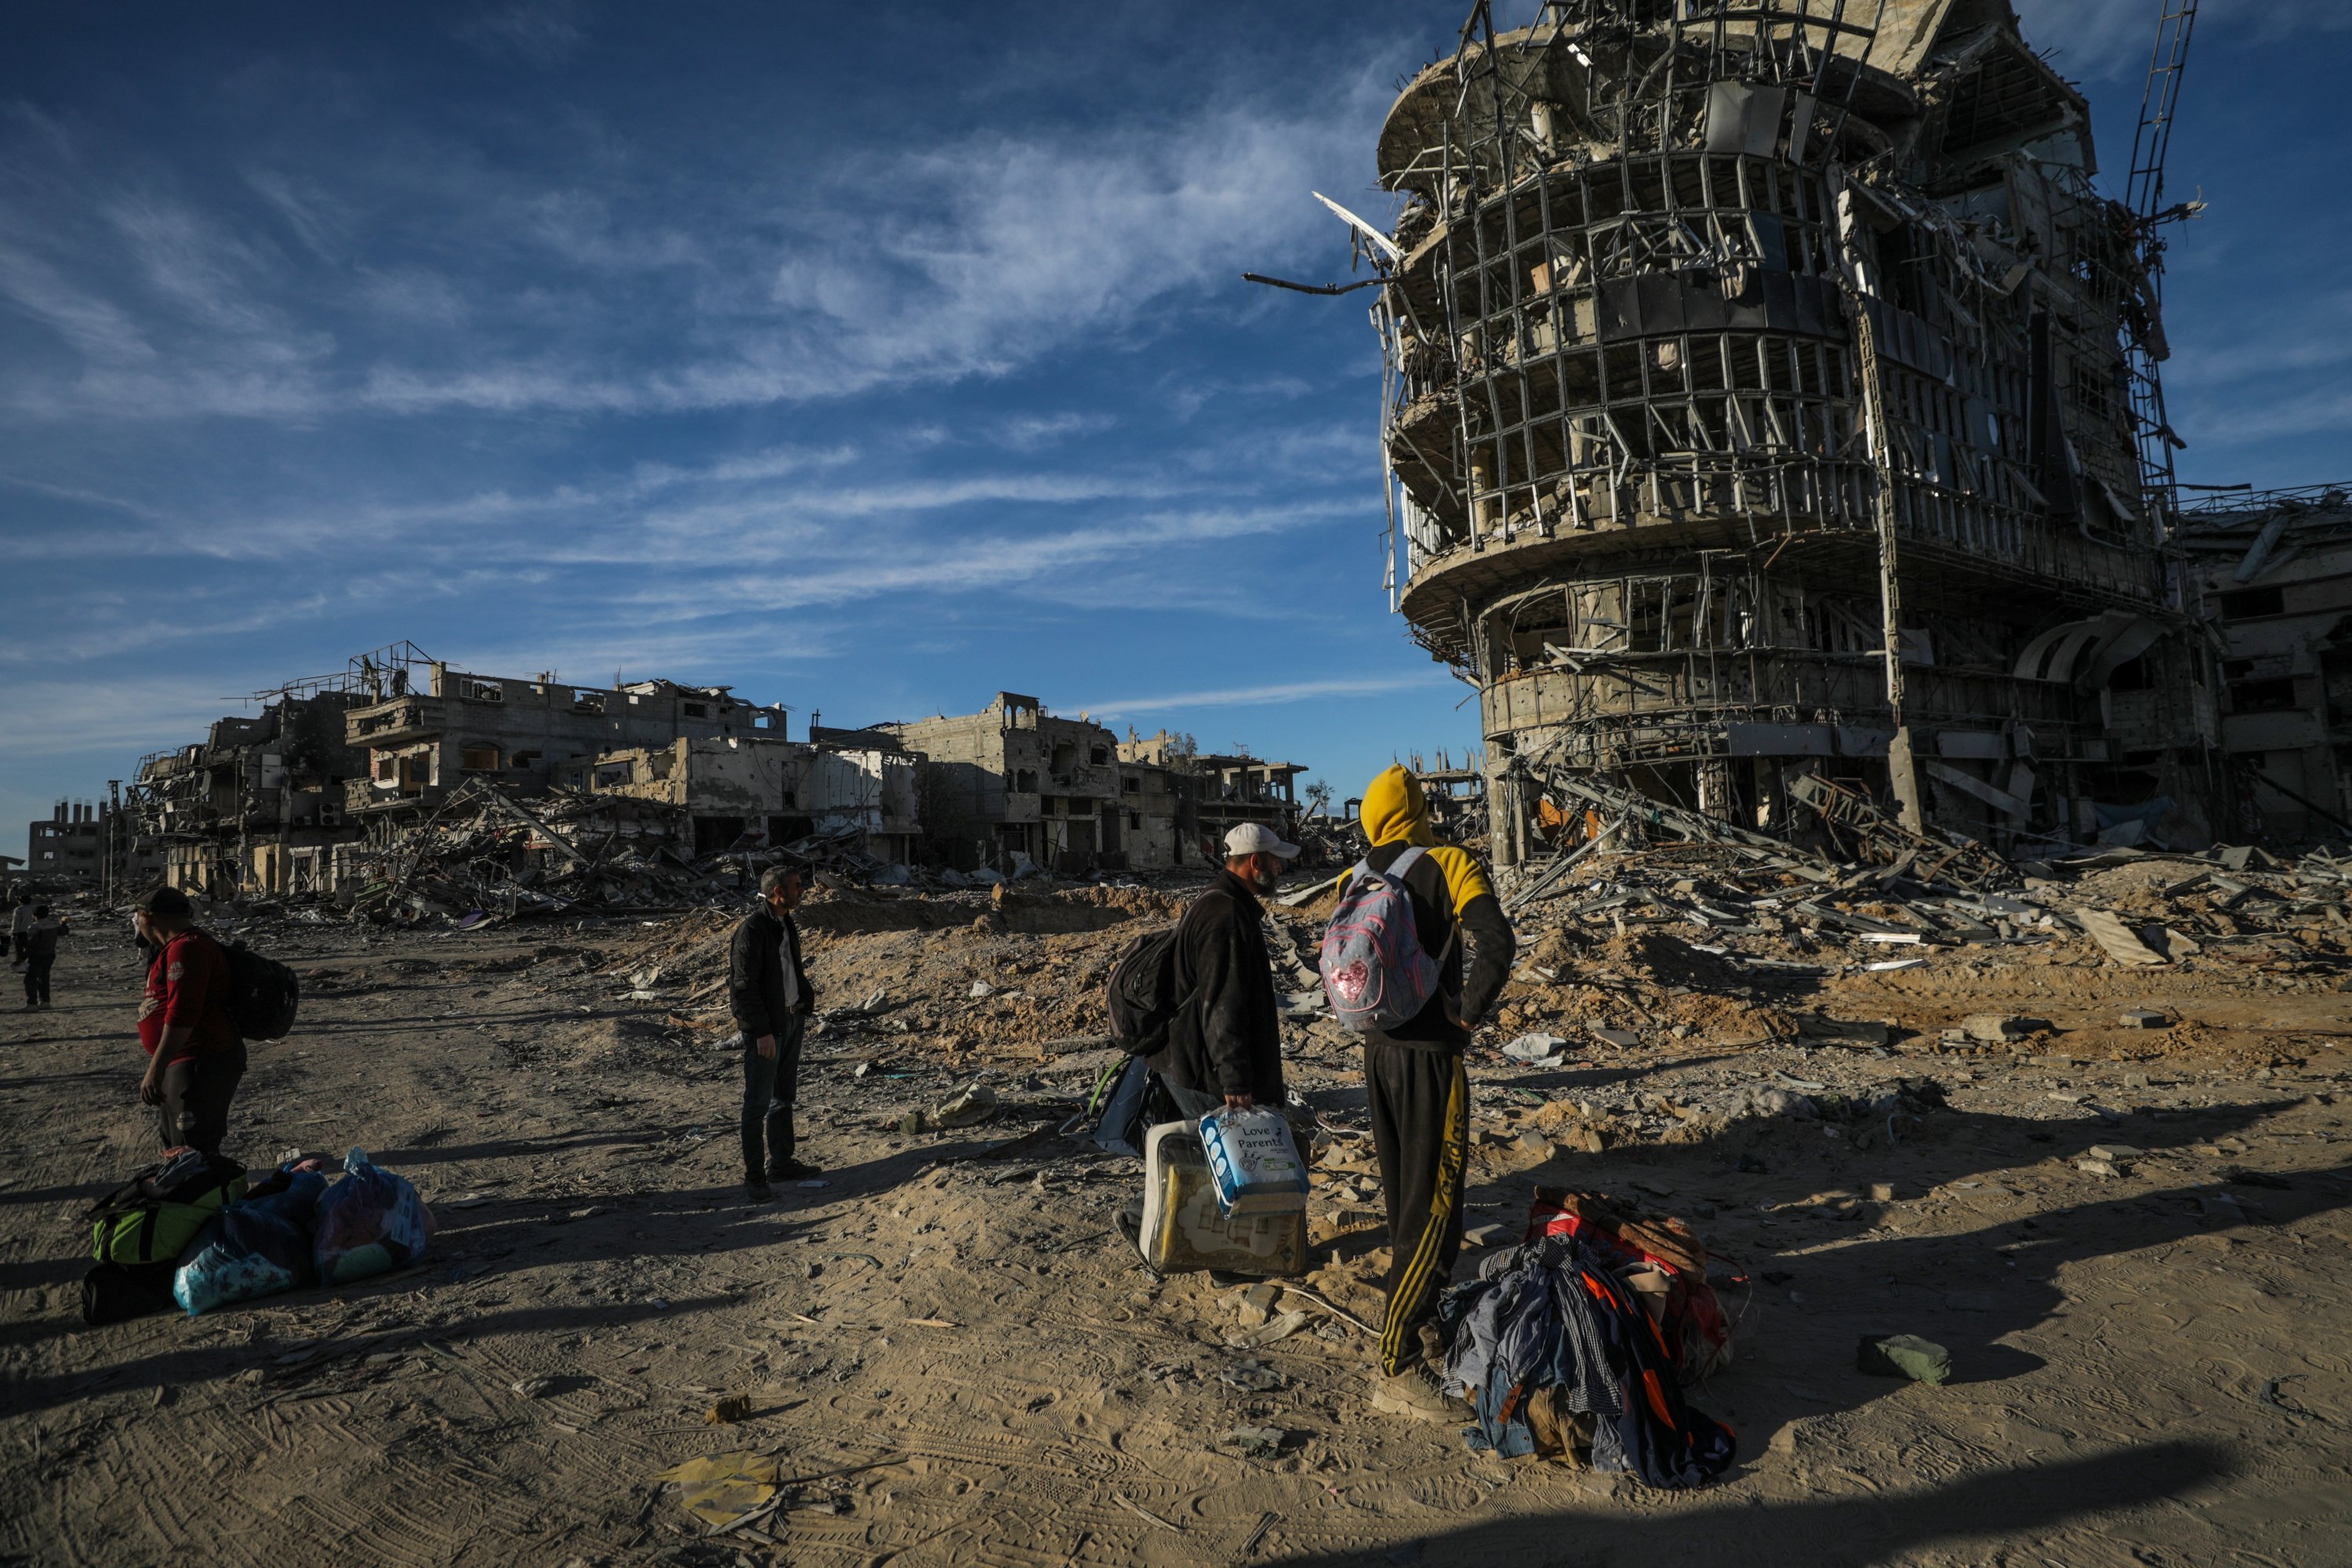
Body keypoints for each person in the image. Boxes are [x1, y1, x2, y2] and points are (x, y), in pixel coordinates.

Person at [1351, 764, 1516, 1421]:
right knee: (1437, 1209)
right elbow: (1496, 942)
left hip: (1377, 1054)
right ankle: (1396, 1366)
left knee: (1405, 1203)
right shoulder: (1449, 862)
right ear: (1418, 808)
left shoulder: (1354, 876)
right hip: (1430, 1058)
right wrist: (1467, 1013)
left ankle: (1422, 1327)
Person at [1149, 822, 1298, 1122]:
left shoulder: (1219, 901)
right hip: (1205, 1074)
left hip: (1196, 1064)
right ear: (1255, 862)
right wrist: (1236, 1081)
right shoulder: (1225, 917)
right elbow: (1222, 1004)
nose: (1280, 868)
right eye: (1275, 860)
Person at [131, 884, 245, 1156]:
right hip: (185, 1061)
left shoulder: (187, 949)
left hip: (200, 1061)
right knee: (178, 1148)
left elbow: (182, 1015)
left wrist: (155, 1068)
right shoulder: (173, 948)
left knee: (193, 1152)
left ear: (147, 917)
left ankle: (210, 1198)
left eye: (137, 919)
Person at [728, 863, 819, 1201]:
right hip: (768, 1030)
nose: (802, 890)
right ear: (778, 892)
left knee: (784, 1096)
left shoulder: (785, 923)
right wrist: (761, 1031)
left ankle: (781, 1163)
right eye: (796, 886)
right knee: (757, 1103)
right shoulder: (752, 930)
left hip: (792, 1019)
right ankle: (754, 1179)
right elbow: (743, 988)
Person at [22, 904, 63, 1010]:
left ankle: (32, 1004)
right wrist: (64, 924)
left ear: (34, 915)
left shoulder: (34, 927)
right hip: (49, 954)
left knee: (30, 980)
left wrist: (22, 958)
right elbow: (64, 932)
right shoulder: (53, 925)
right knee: (44, 978)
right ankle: (45, 1002)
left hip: (37, 956)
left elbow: (31, 945)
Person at [8, 892, 31, 965]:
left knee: (19, 949)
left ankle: (20, 962)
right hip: (32, 931)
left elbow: (16, 922)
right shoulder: (33, 908)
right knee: (30, 948)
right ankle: (31, 961)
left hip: (21, 932)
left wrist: (14, 933)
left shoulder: (18, 909)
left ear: (21, 901)